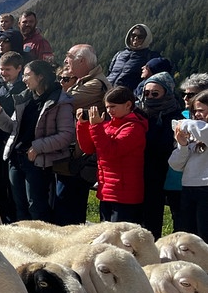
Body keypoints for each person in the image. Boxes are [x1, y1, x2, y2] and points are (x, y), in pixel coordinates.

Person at [0, 60, 74, 222]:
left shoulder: (60, 101)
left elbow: (66, 135)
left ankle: (41, 244)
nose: (24, 79)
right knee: (19, 206)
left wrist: (37, 148)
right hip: (16, 159)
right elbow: (12, 128)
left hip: (38, 163)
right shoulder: (25, 98)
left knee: (36, 207)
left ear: (41, 76)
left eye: (28, 75)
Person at [52, 43, 111, 225]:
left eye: (69, 56)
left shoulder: (94, 85)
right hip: (73, 157)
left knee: (68, 209)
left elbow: (61, 103)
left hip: (79, 158)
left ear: (82, 61)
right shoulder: (83, 81)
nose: (65, 60)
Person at [75, 86, 147, 223]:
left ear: (128, 105)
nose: (109, 111)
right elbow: (89, 148)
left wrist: (96, 127)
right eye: (107, 107)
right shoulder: (108, 125)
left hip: (125, 194)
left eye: (113, 106)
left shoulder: (134, 128)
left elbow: (110, 152)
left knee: (119, 237)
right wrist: (83, 125)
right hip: (107, 190)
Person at [138, 72, 184, 237]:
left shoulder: (175, 117)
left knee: (152, 222)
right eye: (146, 93)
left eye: (155, 93)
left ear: (167, 93)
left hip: (162, 175)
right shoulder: (139, 113)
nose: (150, 97)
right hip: (138, 173)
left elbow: (167, 146)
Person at [0, 51, 27, 223]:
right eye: (1, 69)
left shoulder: (25, 90)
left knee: (15, 191)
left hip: (14, 144)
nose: (3, 73)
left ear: (19, 69)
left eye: (8, 70)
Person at [168, 90, 208, 239]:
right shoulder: (194, 132)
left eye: (201, 110)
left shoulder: (198, 128)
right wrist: (182, 145)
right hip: (189, 187)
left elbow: (203, 132)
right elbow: (176, 165)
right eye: (194, 111)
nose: (197, 115)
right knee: (188, 236)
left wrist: (184, 123)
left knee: (204, 235)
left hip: (206, 189)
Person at [107, 24, 158, 91]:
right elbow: (110, 73)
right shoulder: (119, 54)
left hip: (127, 96)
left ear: (146, 38)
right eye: (133, 35)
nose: (135, 38)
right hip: (107, 92)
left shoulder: (150, 57)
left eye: (140, 36)